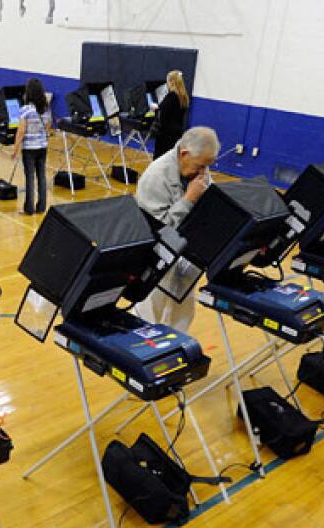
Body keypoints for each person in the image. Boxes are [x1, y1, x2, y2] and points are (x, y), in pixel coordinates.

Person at [135, 126, 219, 332]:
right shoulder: (156, 176)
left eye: (207, 167)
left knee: (183, 307)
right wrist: (189, 199)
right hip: (156, 254)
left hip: (187, 253)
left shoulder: (199, 170)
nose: (203, 173)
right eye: (200, 166)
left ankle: (176, 342)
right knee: (150, 309)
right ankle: (142, 349)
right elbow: (159, 228)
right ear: (184, 154)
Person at [12, 78, 51, 215]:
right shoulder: (45, 108)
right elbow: (48, 126)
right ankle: (41, 207)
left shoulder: (25, 109)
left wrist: (15, 148)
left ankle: (29, 208)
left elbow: (21, 131)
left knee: (30, 177)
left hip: (29, 148)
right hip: (42, 147)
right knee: (41, 176)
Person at [152, 70, 190, 160]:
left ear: (172, 82)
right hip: (177, 132)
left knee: (160, 160)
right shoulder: (183, 96)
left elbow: (163, 114)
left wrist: (156, 109)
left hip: (166, 134)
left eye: (168, 81)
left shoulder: (172, 96)